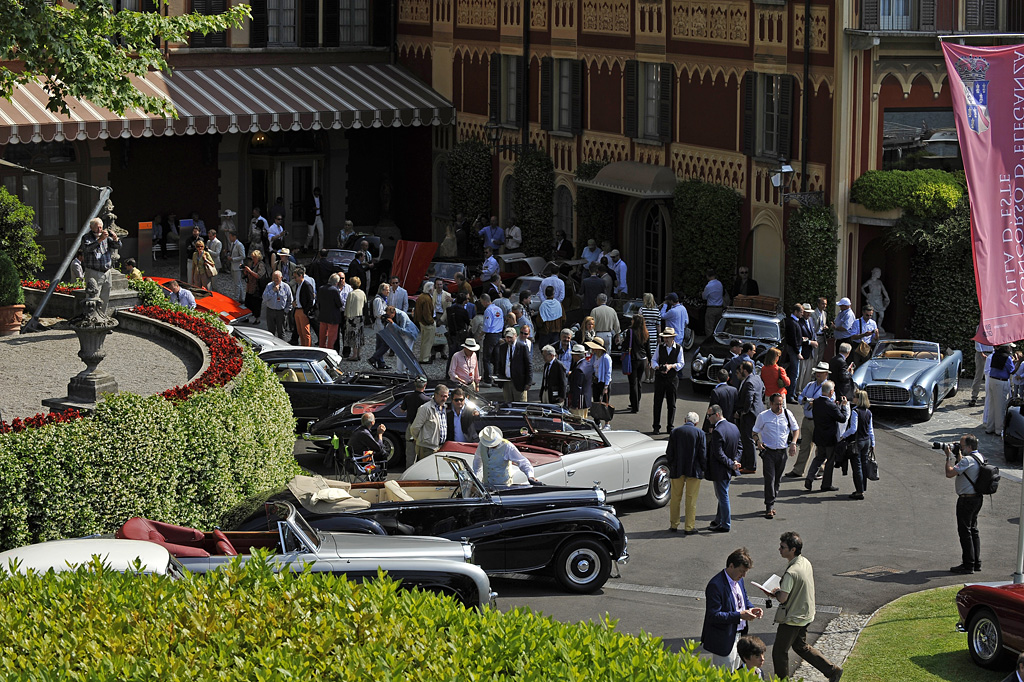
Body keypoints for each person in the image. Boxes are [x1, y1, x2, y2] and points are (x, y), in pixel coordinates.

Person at [766, 531, 843, 682]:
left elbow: (783, 598)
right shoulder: (805, 562)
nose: (779, 549)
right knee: (800, 646)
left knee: (779, 652)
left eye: (782, 547)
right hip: (806, 614)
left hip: (793, 618)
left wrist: (774, 592)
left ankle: (782, 681)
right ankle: (832, 670)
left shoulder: (791, 572)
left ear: (792, 549)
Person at [701, 548, 763, 670]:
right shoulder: (715, 585)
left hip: (740, 636)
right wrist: (739, 615)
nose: (744, 575)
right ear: (731, 566)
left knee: (736, 672)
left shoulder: (739, 580)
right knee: (724, 674)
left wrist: (751, 608)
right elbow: (713, 615)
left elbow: (743, 599)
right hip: (724, 640)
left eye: (745, 572)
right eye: (741, 571)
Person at [753, 393, 800, 519]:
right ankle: (769, 506)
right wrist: (758, 441)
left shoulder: (787, 414)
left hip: (782, 452)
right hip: (768, 452)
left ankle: (772, 502)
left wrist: (793, 443)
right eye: (777, 404)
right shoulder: (763, 416)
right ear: (771, 403)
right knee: (770, 479)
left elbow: (796, 429)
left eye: (781, 403)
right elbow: (754, 432)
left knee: (777, 480)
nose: (779, 406)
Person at [946, 434, 986, 574]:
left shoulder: (967, 460)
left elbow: (949, 473)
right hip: (977, 498)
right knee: (973, 530)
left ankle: (968, 564)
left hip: (966, 500)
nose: (960, 448)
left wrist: (948, 457)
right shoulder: (979, 457)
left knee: (965, 531)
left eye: (962, 446)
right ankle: (976, 562)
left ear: (969, 447)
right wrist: (959, 455)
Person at [804, 380, 851, 493]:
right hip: (830, 438)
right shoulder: (831, 406)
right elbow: (842, 418)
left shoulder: (816, 402)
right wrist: (843, 407)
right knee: (830, 460)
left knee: (819, 458)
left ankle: (809, 477)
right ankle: (826, 484)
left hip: (819, 435)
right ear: (831, 392)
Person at [787, 362, 831, 479]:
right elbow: (801, 396)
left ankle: (821, 470)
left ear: (826, 374)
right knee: (805, 446)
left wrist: (812, 401)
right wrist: (805, 400)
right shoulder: (811, 384)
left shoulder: (828, 386)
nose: (818, 374)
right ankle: (798, 470)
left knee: (820, 448)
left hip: (819, 420)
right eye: (817, 372)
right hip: (807, 418)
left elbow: (828, 402)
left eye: (820, 372)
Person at [667, 412, 706, 533]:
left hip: (677, 469)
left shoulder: (675, 432)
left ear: (685, 420)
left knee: (675, 498)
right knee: (691, 499)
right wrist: (704, 468)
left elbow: (669, 452)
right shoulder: (700, 433)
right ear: (696, 423)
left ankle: (674, 524)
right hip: (694, 470)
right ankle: (689, 526)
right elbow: (702, 453)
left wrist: (672, 465)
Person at [705, 404, 741, 533]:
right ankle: (719, 519)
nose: (708, 418)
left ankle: (725, 523)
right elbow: (740, 447)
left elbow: (718, 453)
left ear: (717, 415)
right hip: (729, 469)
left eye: (709, 416)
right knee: (722, 495)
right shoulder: (734, 427)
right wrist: (735, 461)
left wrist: (731, 463)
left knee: (722, 496)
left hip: (721, 469)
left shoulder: (718, 431)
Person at [473, 425, 540, 488]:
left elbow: (522, 461)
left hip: (503, 485)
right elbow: (477, 459)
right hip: (486, 485)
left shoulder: (507, 446)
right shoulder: (482, 444)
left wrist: (530, 476)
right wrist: (475, 476)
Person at [80, 217, 121, 314]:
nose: (100, 230)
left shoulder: (106, 237)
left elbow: (117, 246)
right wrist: (99, 240)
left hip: (106, 271)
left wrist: (115, 239)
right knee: (93, 297)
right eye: (97, 228)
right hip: (94, 271)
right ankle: (91, 317)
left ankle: (102, 316)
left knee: (105, 297)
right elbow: (87, 249)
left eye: (101, 227)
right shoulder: (86, 237)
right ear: (91, 227)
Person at [843, 389, 875, 500]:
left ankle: (859, 491)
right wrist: (873, 442)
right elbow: (870, 429)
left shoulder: (855, 412)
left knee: (857, 467)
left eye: (855, 397)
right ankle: (862, 488)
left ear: (858, 399)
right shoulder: (868, 412)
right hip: (866, 441)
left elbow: (853, 429)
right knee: (864, 464)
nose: (853, 398)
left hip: (857, 442)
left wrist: (843, 435)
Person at [735, 361, 765, 474]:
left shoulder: (749, 382)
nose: (740, 371)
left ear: (745, 371)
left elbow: (749, 399)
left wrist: (743, 412)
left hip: (750, 414)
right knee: (749, 437)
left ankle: (751, 466)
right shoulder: (757, 378)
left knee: (748, 438)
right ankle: (747, 463)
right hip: (757, 411)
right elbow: (763, 390)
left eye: (741, 369)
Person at [409, 384, 449, 467]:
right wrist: (420, 439)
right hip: (426, 448)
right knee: (426, 473)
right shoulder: (425, 408)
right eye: (442, 396)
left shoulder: (444, 408)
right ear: (435, 395)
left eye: (446, 396)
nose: (444, 399)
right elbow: (414, 428)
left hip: (439, 447)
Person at [652, 328, 683, 434]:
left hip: (672, 379)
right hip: (660, 378)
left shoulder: (679, 348)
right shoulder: (660, 347)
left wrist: (671, 366)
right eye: (664, 337)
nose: (666, 340)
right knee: (657, 402)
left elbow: (681, 363)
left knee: (672, 403)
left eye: (668, 337)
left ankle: (670, 426)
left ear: (673, 337)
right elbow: (653, 360)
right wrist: (658, 367)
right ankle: (656, 426)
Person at [494, 327, 533, 402]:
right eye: (507, 337)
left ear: (515, 335)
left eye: (510, 337)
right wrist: (498, 378)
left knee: (520, 406)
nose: (509, 340)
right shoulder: (503, 347)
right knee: (508, 405)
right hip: (506, 382)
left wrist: (529, 382)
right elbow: (500, 363)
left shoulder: (522, 347)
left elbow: (529, 365)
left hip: (519, 382)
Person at [986, 345, 1015, 435]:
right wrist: (1018, 362)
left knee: (992, 405)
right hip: (1000, 382)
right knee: (1000, 407)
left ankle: (990, 427)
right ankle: (999, 430)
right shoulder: (1007, 358)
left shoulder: (995, 355)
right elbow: (1012, 371)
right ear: (1006, 348)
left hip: (992, 380)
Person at [623, 315, 649, 413]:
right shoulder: (646, 333)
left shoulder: (630, 332)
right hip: (642, 359)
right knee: (639, 382)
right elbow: (648, 348)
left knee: (632, 383)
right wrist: (649, 360)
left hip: (633, 359)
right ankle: (637, 402)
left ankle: (634, 405)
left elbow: (625, 345)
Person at [481, 293, 505, 385]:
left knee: (486, 358)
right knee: (496, 358)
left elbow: (487, 325)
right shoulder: (499, 309)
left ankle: (488, 379)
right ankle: (496, 378)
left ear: (485, 301)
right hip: (499, 334)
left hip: (491, 335)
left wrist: (481, 334)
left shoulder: (488, 310)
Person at [262, 270, 293, 339]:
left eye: (277, 278)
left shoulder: (286, 287)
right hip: (270, 311)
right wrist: (273, 291)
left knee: (281, 332)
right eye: (274, 278)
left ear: (281, 278)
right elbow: (264, 298)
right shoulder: (269, 286)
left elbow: (290, 300)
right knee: (270, 332)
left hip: (281, 312)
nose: (275, 280)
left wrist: (286, 311)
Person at [317, 273, 345, 351]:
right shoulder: (334, 290)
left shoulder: (321, 288)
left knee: (322, 336)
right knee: (332, 338)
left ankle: (321, 351)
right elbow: (339, 304)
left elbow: (318, 301)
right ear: (336, 282)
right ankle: (330, 353)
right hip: (333, 317)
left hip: (323, 315)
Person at [588, 337, 612, 422]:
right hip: (596, 381)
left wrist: (606, 386)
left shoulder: (606, 358)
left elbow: (608, 373)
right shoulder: (594, 357)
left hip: (603, 382)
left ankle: (607, 423)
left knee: (605, 404)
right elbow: (590, 367)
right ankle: (597, 422)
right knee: (596, 402)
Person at [242, 250, 268, 324]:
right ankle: (246, 316)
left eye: (254, 257)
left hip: (257, 288)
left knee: (256, 303)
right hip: (250, 286)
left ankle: (257, 318)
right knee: (248, 302)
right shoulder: (252, 264)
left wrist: (250, 271)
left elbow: (259, 275)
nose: (253, 259)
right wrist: (246, 272)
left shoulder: (261, 265)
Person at [293, 266, 317, 347]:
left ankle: (307, 348)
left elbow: (311, 299)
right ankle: (303, 347)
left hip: (303, 310)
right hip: (297, 309)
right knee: (300, 332)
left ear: (301, 276)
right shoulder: (299, 285)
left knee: (305, 332)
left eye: (296, 277)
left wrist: (305, 311)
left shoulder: (307, 285)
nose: (295, 279)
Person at [640, 293, 661, 383]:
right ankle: (652, 377)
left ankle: (647, 377)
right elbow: (658, 325)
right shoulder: (657, 311)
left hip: (644, 333)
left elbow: (639, 323)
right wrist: (659, 336)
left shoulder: (642, 310)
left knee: (645, 357)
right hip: (653, 334)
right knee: (653, 356)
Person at [414, 281, 437, 364]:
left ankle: (422, 357)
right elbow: (426, 313)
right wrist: (431, 322)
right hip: (427, 323)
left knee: (424, 341)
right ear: (430, 289)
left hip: (422, 322)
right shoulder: (427, 299)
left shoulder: (421, 297)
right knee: (428, 342)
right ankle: (425, 358)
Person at [344, 276, 367, 361]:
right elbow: (365, 304)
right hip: (360, 317)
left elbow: (348, 306)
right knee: (359, 335)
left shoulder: (351, 294)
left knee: (353, 337)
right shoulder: (362, 293)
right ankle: (358, 354)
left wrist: (346, 315)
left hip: (352, 318)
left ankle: (354, 355)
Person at [567, 344, 592, 419]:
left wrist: (574, 404)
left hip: (579, 402)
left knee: (578, 421)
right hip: (586, 399)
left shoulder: (578, 369)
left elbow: (577, 387)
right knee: (584, 419)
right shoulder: (588, 364)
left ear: (576, 356)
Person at [783, 303, 805, 385]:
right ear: (796, 312)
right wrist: (797, 352)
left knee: (794, 372)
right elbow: (792, 339)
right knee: (794, 373)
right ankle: (790, 394)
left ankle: (791, 392)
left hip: (796, 348)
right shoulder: (791, 322)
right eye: (801, 312)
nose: (802, 314)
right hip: (794, 349)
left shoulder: (796, 322)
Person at [971, 334, 994, 408]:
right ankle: (974, 396)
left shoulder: (994, 325)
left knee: (992, 376)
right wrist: (981, 353)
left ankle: (991, 396)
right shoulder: (980, 326)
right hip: (981, 353)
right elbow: (977, 340)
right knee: (979, 375)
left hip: (992, 352)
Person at [702, 269, 726, 336]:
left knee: (709, 327)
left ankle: (709, 342)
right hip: (719, 308)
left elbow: (704, 297)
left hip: (711, 308)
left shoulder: (708, 286)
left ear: (707, 276)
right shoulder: (719, 284)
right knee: (717, 327)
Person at [225, 231, 246, 303]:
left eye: (230, 236)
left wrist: (233, 259)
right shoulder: (232, 244)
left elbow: (243, 256)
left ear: (234, 236)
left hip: (238, 266)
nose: (229, 238)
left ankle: (236, 298)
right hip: (233, 265)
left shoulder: (239, 245)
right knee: (237, 282)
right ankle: (241, 298)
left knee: (237, 283)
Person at [305, 187, 324, 252]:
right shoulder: (310, 198)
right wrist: (312, 209)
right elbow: (306, 207)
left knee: (321, 233)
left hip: (319, 216)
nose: (317, 194)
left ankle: (320, 249)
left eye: (318, 193)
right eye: (316, 193)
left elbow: (321, 206)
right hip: (312, 217)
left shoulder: (320, 197)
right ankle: (306, 246)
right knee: (311, 234)